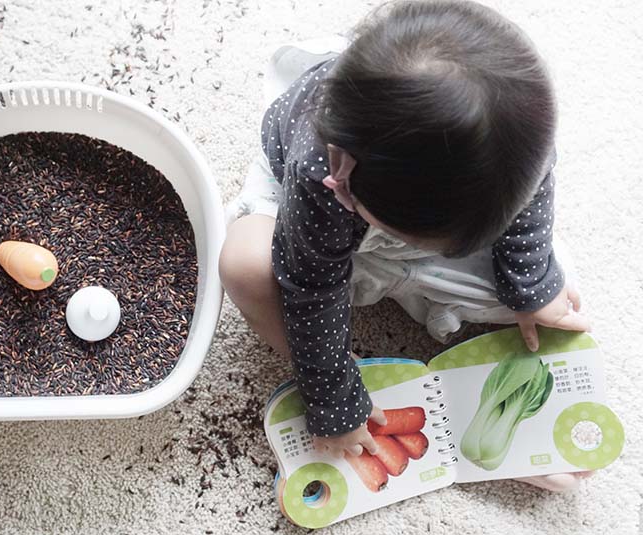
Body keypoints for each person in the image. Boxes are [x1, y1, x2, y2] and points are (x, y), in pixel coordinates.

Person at [220, 0, 592, 491]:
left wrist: (532, 284)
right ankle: (337, 369)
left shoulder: (517, 133)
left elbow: (535, 184)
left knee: (555, 287)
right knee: (245, 266)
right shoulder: (322, 172)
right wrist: (333, 399)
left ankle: (445, 292)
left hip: (408, 201)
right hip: (305, 219)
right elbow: (312, 289)